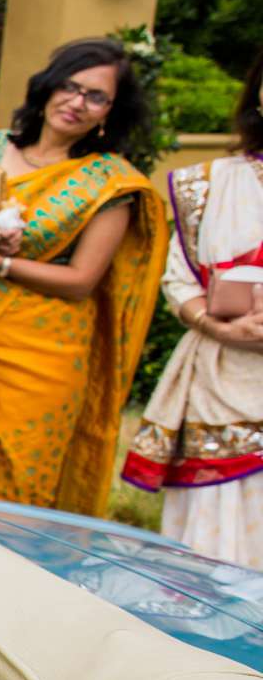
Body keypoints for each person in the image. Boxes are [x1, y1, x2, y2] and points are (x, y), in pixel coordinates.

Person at [0, 38, 165, 515]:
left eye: (95, 96)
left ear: (110, 112)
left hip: (45, 354)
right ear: (48, 87)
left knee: (17, 482)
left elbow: (84, 279)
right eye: (70, 86)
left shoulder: (110, 182)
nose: (77, 102)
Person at [125, 50, 263, 565]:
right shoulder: (204, 183)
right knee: (212, 529)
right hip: (217, 372)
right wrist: (215, 324)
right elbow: (179, 278)